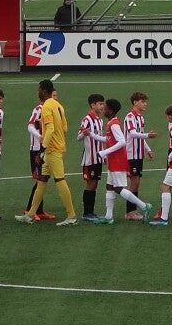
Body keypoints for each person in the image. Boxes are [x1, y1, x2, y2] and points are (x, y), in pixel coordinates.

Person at [22, 79, 79, 226]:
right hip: (55, 148)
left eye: (39, 89)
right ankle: (31, 214)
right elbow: (65, 128)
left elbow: (51, 129)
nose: (38, 92)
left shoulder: (46, 106)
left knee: (60, 180)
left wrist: (42, 149)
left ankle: (72, 216)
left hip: (52, 150)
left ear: (44, 90)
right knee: (42, 181)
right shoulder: (58, 105)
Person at [92, 98, 151, 225]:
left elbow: (122, 141)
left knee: (118, 188)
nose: (103, 110)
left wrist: (105, 152)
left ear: (111, 111)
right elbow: (108, 139)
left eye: (105, 108)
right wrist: (91, 135)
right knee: (109, 187)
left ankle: (144, 206)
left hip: (118, 161)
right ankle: (108, 217)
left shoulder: (114, 124)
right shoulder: (111, 123)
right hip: (113, 161)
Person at [78, 93, 107, 221]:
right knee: (90, 184)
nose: (102, 106)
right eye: (100, 104)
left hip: (98, 157)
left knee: (95, 183)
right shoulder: (87, 119)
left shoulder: (100, 120)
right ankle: (87, 213)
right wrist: (84, 134)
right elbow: (78, 137)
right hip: (90, 158)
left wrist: (104, 154)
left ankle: (91, 212)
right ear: (93, 105)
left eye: (103, 104)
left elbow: (100, 139)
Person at [123, 92, 151, 217]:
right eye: (143, 101)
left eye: (145, 101)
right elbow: (133, 133)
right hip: (131, 154)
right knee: (134, 182)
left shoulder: (140, 117)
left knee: (137, 182)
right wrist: (148, 135)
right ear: (135, 102)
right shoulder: (130, 117)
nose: (145, 104)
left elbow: (140, 136)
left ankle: (132, 210)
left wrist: (148, 149)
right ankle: (130, 212)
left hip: (138, 155)